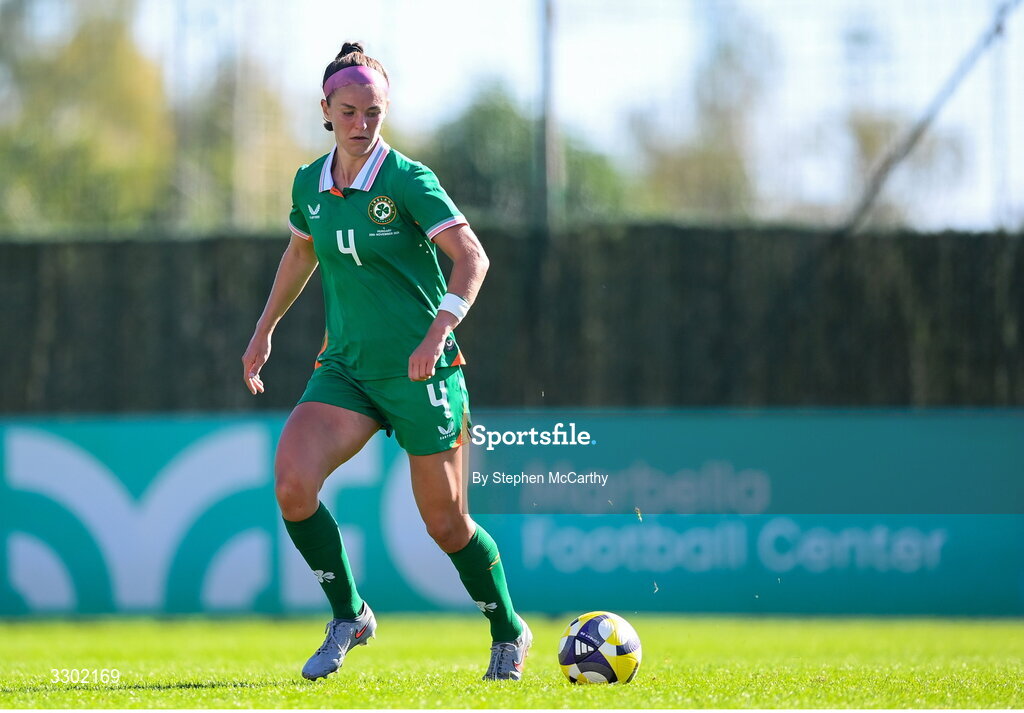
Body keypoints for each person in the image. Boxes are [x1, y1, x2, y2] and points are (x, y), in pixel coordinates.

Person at [241, 42, 530, 682]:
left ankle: (508, 629)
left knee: (447, 525)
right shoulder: (308, 183)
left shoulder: (407, 179)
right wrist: (264, 330)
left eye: (374, 112)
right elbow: (301, 254)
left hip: (423, 372)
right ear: (326, 109)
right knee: (292, 483)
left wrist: (438, 332)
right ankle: (349, 615)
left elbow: (472, 258)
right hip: (345, 368)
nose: (362, 125)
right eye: (349, 111)